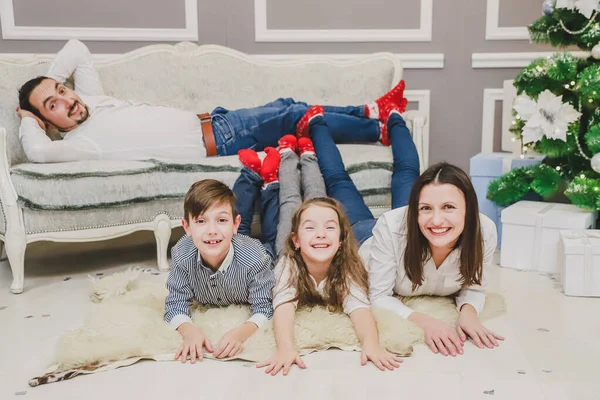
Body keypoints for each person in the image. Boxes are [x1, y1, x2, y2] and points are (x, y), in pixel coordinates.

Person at [16, 39, 407, 163]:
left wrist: (45, 84)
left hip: (217, 120)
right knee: (293, 114)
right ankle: (381, 127)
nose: (66, 100)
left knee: (289, 103)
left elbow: (77, 50)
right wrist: (28, 118)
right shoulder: (79, 144)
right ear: (48, 123)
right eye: (53, 105)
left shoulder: (91, 100)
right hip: (219, 142)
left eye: (62, 90)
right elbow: (34, 152)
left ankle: (369, 111)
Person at [365, 162, 503, 357]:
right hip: (364, 237)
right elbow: (378, 297)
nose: (437, 220)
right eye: (426, 208)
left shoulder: (485, 231)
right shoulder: (390, 226)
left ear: (468, 210)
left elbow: (474, 287)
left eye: (448, 207)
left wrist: (469, 313)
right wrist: (425, 321)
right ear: (415, 211)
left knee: (406, 172)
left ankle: (396, 130)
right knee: (342, 186)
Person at [257, 197, 404, 376]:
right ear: (296, 240)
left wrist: (371, 344)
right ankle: (273, 184)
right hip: (288, 251)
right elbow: (283, 307)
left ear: (341, 241)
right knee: (285, 209)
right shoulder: (288, 265)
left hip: (354, 240)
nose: (321, 234)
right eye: (310, 227)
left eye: (330, 227)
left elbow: (360, 309)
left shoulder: (348, 267)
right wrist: (286, 348)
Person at [164, 179, 275, 362]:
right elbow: (175, 303)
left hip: (264, 253)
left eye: (221, 220)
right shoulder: (181, 255)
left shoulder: (255, 259)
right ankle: (250, 174)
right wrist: (188, 330)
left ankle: (271, 184)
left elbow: (265, 307)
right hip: (232, 241)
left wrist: (242, 333)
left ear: (235, 224)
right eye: (201, 221)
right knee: (226, 236)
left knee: (275, 236)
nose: (212, 230)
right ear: (186, 227)